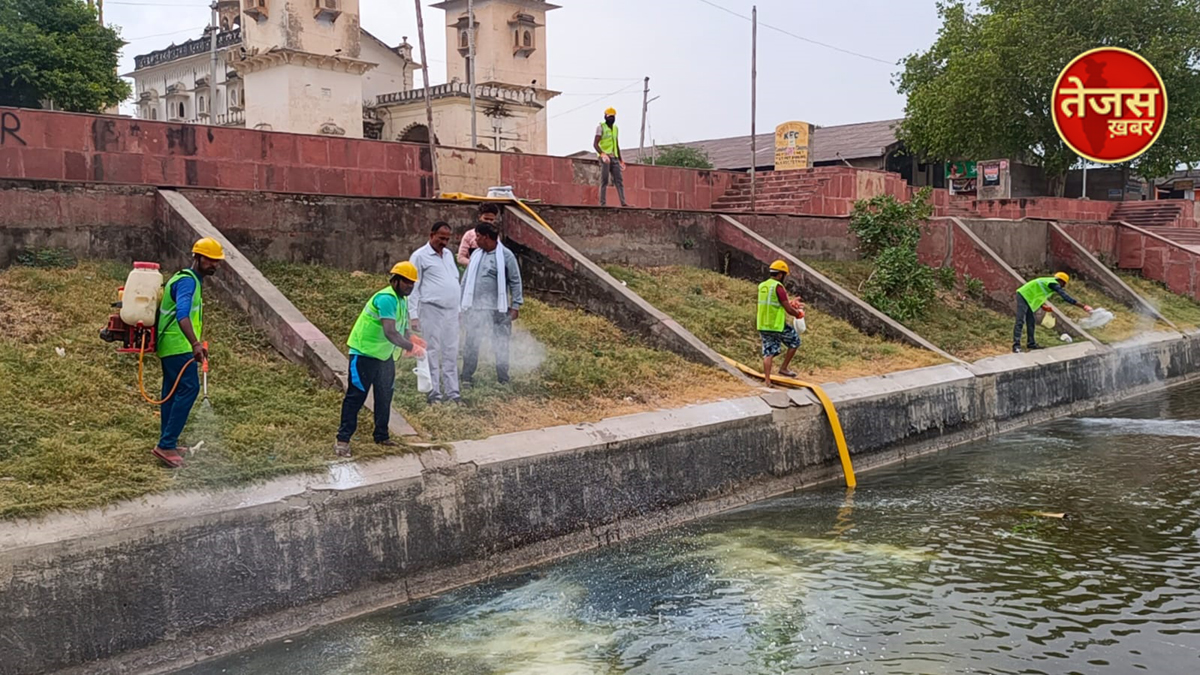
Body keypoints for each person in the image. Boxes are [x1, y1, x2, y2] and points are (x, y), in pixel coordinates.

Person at [334, 262, 424, 457]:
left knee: (384, 396)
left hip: (384, 356)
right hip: (364, 354)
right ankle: (343, 440)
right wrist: (411, 347)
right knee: (356, 397)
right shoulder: (386, 298)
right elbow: (390, 332)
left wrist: (410, 337)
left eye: (413, 283)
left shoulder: (401, 299)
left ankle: (382, 436)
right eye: (407, 282)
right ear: (396, 280)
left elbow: (399, 326)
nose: (410, 286)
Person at [152, 237, 225, 468]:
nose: (213, 265)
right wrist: (194, 344)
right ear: (197, 257)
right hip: (178, 346)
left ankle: (168, 441)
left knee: (171, 393)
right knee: (189, 388)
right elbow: (183, 314)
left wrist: (196, 343)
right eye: (209, 260)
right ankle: (166, 444)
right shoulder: (188, 282)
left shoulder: (183, 277)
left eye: (216, 261)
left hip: (170, 346)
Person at [460, 222, 524, 386]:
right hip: (475, 308)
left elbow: (515, 281)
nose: (476, 240)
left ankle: (503, 378)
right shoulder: (476, 255)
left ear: (487, 237)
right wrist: (461, 304)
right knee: (472, 342)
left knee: (501, 343)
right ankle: (467, 377)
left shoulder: (506, 256)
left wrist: (515, 306)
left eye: (478, 236)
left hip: (498, 309)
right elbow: (466, 280)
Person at [409, 222, 462, 405]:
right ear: (431, 235)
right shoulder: (419, 256)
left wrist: (459, 309)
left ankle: (453, 393)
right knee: (432, 350)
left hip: (451, 311)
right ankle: (434, 394)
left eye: (447, 239)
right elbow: (413, 287)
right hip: (431, 309)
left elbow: (455, 282)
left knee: (451, 351)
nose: (444, 242)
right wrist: (413, 314)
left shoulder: (448, 255)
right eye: (441, 238)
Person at [1013, 272, 1092, 353]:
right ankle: (1016, 346)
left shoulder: (1048, 283)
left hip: (1029, 298)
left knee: (1031, 322)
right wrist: (1083, 306)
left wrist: (1043, 306)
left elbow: (1038, 294)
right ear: (1061, 281)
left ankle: (1031, 344)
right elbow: (1066, 297)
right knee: (1020, 321)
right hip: (1023, 295)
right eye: (1064, 284)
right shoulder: (1053, 284)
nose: (1063, 286)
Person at [757, 260, 805, 388]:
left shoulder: (763, 286)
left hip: (763, 324)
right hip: (777, 325)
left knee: (768, 352)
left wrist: (790, 302)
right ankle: (783, 368)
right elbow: (788, 310)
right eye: (784, 275)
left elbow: (775, 301)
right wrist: (798, 314)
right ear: (780, 275)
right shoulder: (778, 287)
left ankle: (767, 381)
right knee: (795, 341)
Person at [593, 107, 627, 207]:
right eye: (609, 116)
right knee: (604, 180)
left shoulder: (615, 128)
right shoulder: (601, 127)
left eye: (613, 116)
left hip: (614, 157)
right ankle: (602, 203)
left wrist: (620, 160)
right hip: (605, 157)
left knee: (619, 180)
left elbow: (616, 144)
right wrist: (602, 154)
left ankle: (623, 202)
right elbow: (595, 144)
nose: (611, 118)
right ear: (605, 117)